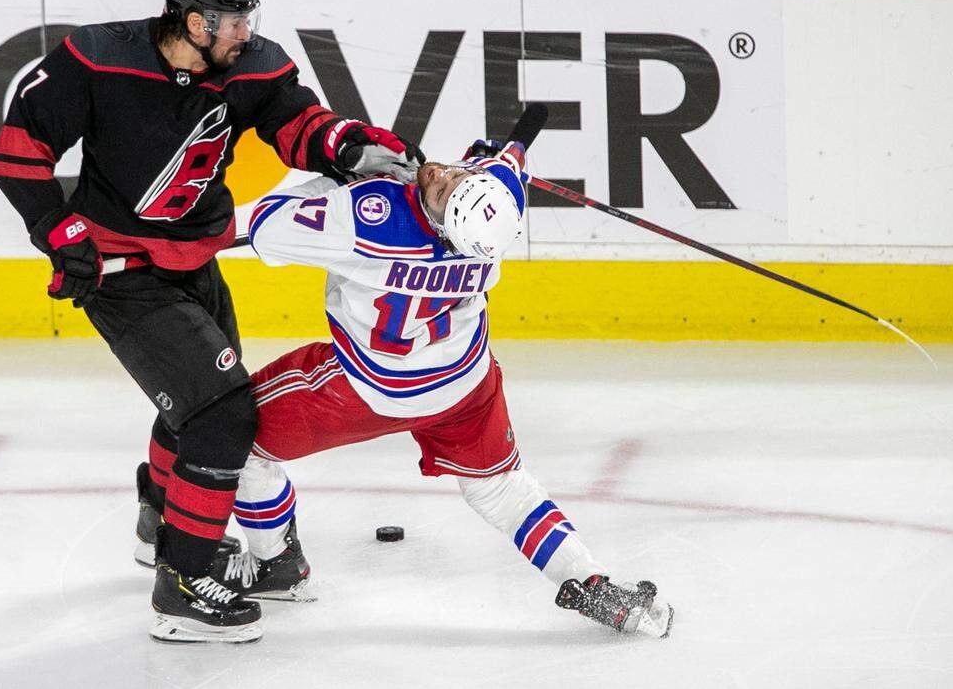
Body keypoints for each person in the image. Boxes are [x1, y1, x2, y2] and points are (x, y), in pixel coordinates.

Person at [0, 0, 422, 644]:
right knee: (221, 418)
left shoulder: (254, 64)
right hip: (121, 274)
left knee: (200, 406)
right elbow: (19, 147)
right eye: (232, 20)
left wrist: (347, 146)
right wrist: (57, 226)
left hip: (195, 262)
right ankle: (183, 583)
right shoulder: (99, 58)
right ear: (193, 22)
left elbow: (298, 123)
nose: (245, 32)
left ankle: (159, 519)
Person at [182, 139, 674, 637]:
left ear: (442, 223)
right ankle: (590, 584)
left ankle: (275, 566)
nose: (442, 176)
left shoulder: (366, 216)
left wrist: (340, 179)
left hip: (369, 389)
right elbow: (508, 164)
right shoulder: (498, 205)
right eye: (458, 177)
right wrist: (506, 153)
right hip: (464, 384)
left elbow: (267, 226)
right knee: (501, 488)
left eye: (445, 192)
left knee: (234, 435)